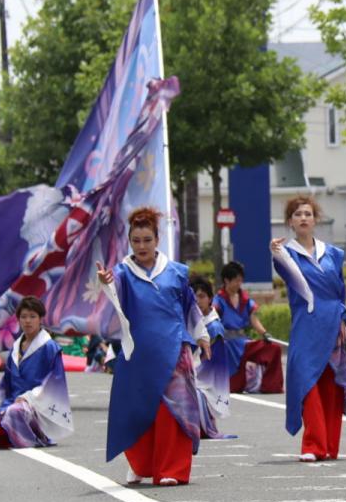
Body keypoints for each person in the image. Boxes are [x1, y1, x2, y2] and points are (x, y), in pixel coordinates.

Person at [96, 207, 211, 486]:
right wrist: (105, 284)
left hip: (174, 351)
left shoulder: (176, 272)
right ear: (130, 242)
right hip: (138, 354)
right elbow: (115, 296)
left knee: (174, 411)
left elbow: (191, 309)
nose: (142, 246)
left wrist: (202, 335)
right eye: (136, 240)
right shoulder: (122, 273)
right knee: (138, 408)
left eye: (147, 239)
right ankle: (141, 464)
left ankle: (171, 469)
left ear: (157, 239)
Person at [270, 196, 346, 462]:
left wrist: (344, 319)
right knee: (307, 381)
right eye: (297, 214)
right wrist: (277, 253)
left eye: (307, 213)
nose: (303, 217)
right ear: (290, 222)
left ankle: (329, 445)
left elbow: (341, 292)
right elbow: (289, 275)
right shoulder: (285, 253)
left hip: (332, 321)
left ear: (315, 219)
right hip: (306, 324)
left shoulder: (334, 254)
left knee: (331, 384)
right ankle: (313, 444)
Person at [0, 296, 72, 450]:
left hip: (37, 407)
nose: (28, 321)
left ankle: (33, 436)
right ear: (18, 320)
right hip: (11, 404)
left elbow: (55, 384)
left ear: (40, 319)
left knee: (15, 412)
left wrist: (26, 398)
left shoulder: (50, 348)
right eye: (23, 317)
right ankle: (8, 432)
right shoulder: (15, 349)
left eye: (32, 316)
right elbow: (4, 385)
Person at [213, 260, 283, 394]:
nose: (239, 284)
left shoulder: (245, 299)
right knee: (234, 388)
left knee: (273, 349)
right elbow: (213, 320)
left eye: (240, 280)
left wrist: (264, 333)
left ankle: (271, 386)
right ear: (226, 280)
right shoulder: (219, 300)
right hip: (228, 347)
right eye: (236, 280)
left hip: (244, 343)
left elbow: (253, 319)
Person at [191, 277, 236, 439]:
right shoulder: (190, 319)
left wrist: (188, 371)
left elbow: (212, 363)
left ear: (210, 299)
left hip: (206, 378)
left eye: (202, 296)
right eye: (194, 296)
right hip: (191, 368)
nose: (197, 300)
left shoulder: (214, 327)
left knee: (189, 390)